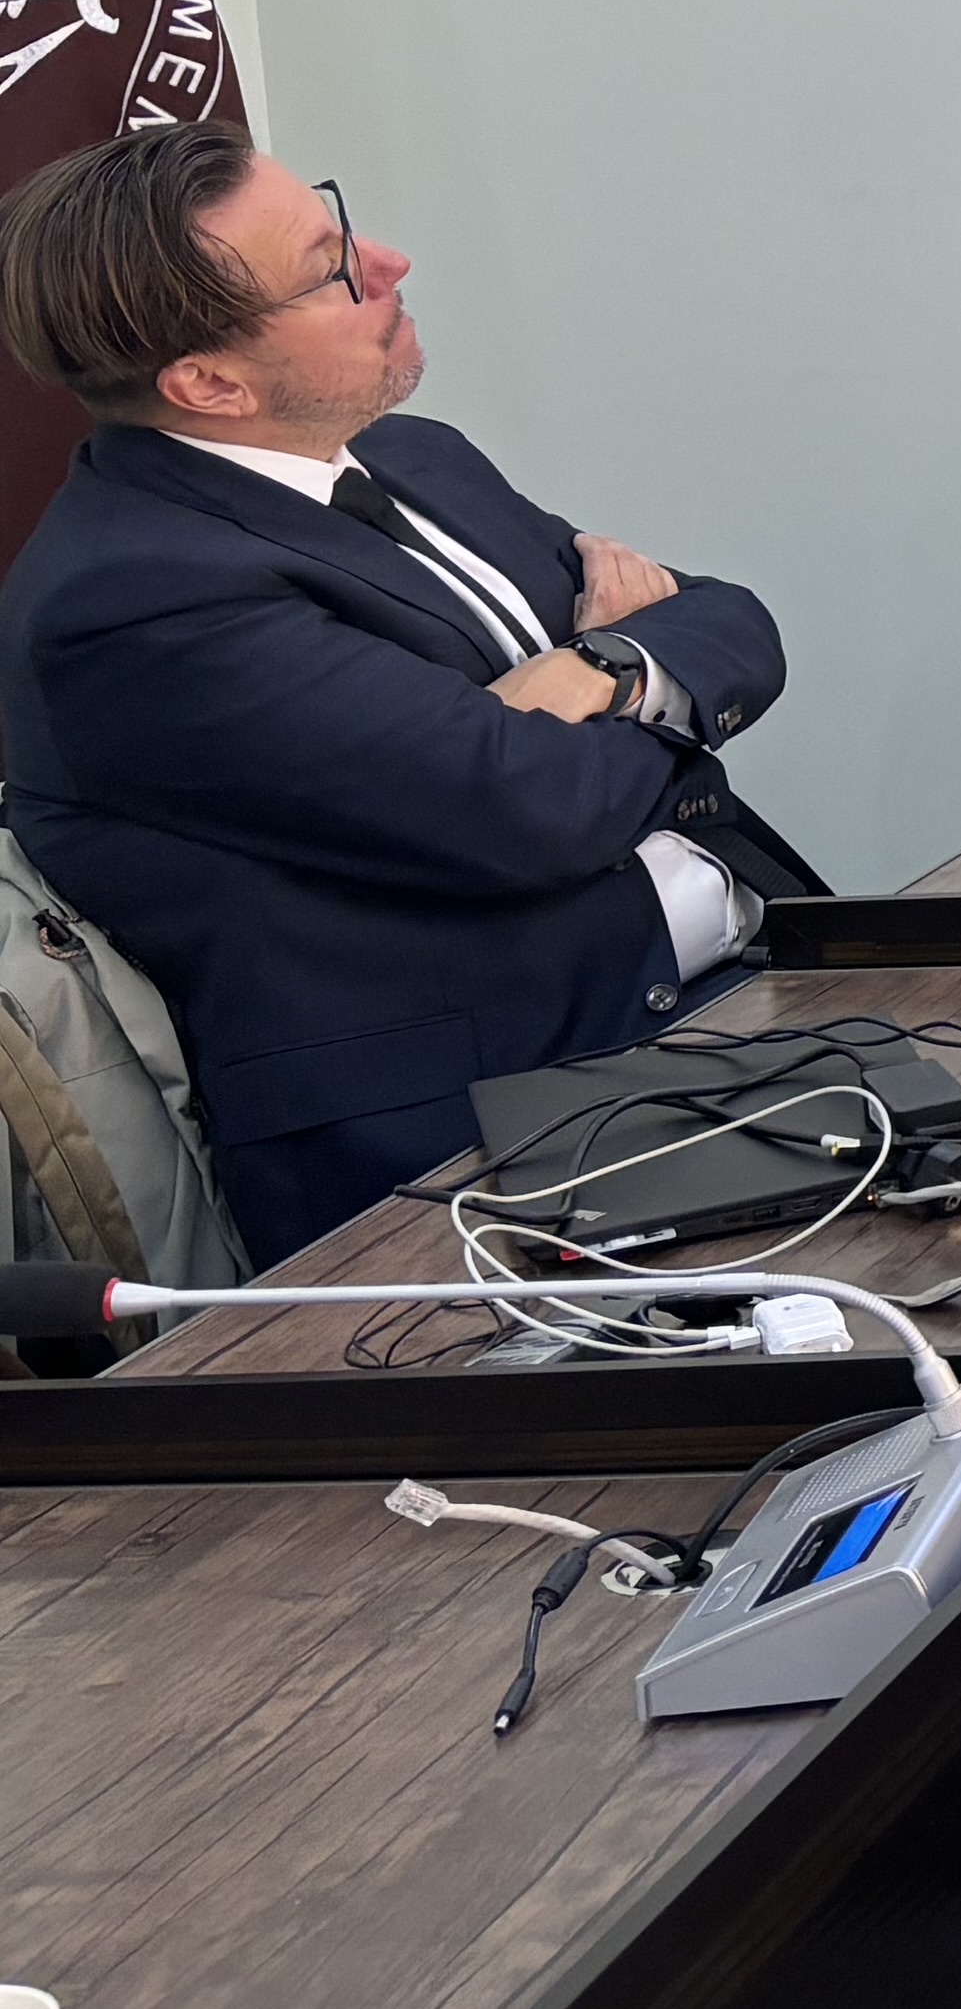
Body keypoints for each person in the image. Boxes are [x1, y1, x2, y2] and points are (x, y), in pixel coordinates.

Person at [0, 125, 817, 1265]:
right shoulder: (132, 601)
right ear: (210, 382)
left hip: (742, 992)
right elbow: (529, 811)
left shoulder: (417, 458)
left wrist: (602, 668)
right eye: (329, 270)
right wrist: (629, 684)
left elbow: (732, 622)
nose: (388, 262)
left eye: (341, 226)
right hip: (489, 1150)